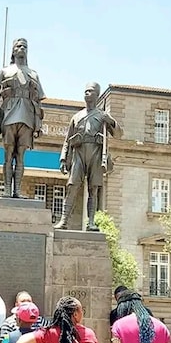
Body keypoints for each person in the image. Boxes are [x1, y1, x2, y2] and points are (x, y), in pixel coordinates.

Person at [54, 82, 122, 231]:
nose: (87, 94)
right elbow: (67, 140)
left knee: (94, 189)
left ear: (97, 95)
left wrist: (110, 120)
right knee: (72, 186)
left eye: (90, 91)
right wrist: (63, 159)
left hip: (96, 153)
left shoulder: (102, 115)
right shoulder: (77, 116)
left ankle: (90, 222)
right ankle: (64, 220)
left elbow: (118, 134)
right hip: (79, 152)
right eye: (85, 91)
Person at [0, 38, 46, 198]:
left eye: (25, 47)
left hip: (27, 117)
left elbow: (38, 102)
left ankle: (17, 190)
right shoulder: (4, 71)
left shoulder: (33, 74)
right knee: (8, 154)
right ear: (13, 51)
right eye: (18, 46)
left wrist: (38, 125)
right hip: (8, 115)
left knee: (20, 155)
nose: (22, 49)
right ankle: (7, 189)